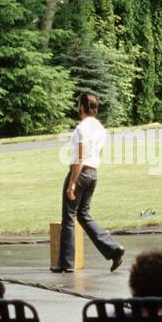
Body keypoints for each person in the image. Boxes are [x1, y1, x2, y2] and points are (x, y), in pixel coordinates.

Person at [54, 92, 124, 274]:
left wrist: (72, 183)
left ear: (83, 107)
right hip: (93, 174)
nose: (78, 108)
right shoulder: (100, 128)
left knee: (68, 217)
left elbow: (79, 157)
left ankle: (66, 264)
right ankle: (113, 249)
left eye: (79, 105)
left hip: (81, 172)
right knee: (83, 215)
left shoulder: (81, 128)